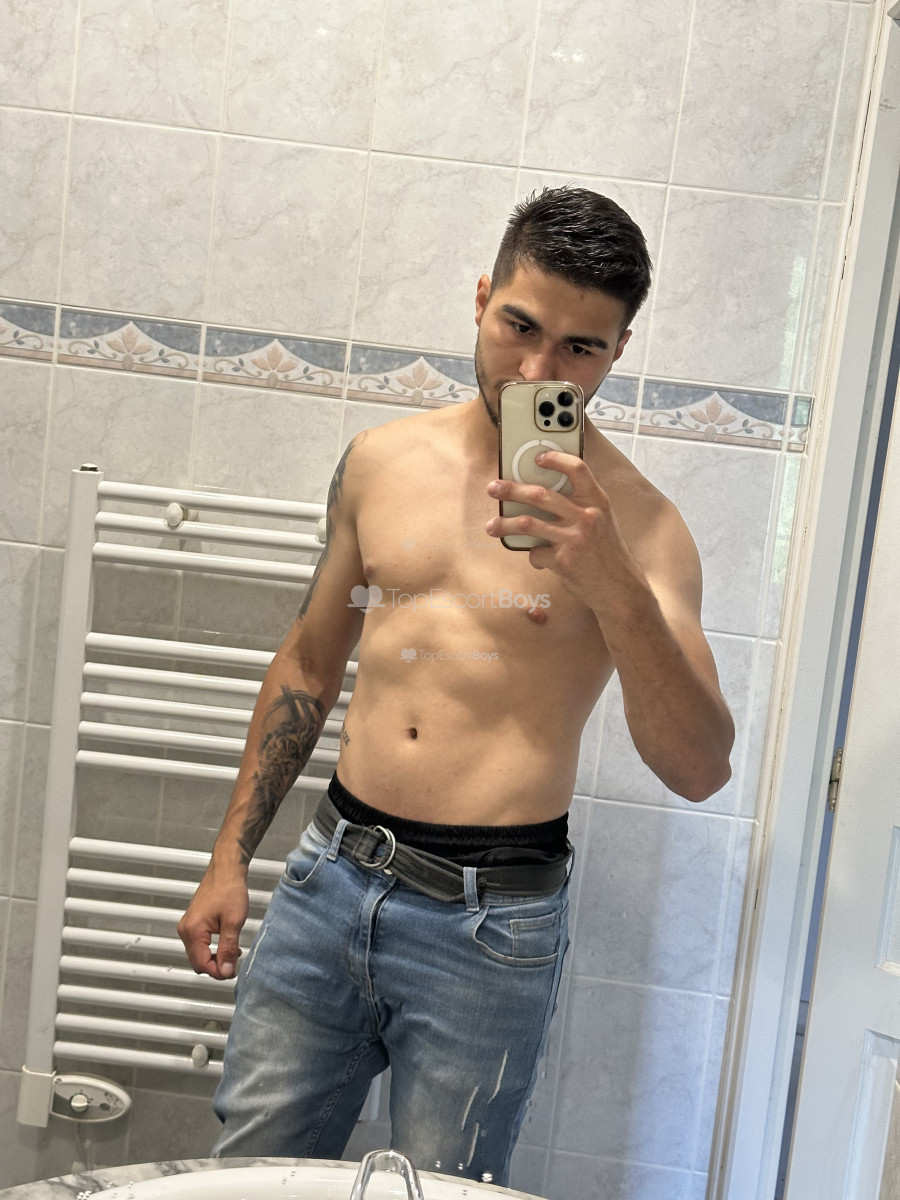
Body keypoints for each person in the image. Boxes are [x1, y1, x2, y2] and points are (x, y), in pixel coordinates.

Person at [177, 187, 735, 1185]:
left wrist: (613, 585)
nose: (538, 371)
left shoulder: (644, 529)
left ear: (618, 351)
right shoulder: (381, 463)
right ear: (482, 298)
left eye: (579, 348)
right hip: (329, 879)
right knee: (252, 1180)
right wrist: (231, 856)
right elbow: (309, 663)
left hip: (492, 925)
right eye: (520, 326)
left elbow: (698, 767)